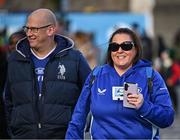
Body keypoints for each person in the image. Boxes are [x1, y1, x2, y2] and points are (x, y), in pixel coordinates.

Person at [65, 28, 174, 139]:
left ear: (136, 49)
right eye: (114, 46)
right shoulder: (96, 76)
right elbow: (78, 118)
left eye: (126, 46)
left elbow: (167, 118)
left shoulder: (150, 76)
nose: (120, 50)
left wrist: (144, 106)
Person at [4, 8, 91, 139]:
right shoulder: (14, 60)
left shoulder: (75, 59)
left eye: (34, 29)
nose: (29, 33)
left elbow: (89, 96)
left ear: (50, 30)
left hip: (64, 136)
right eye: (27, 28)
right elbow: (8, 100)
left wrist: (75, 130)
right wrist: (15, 131)